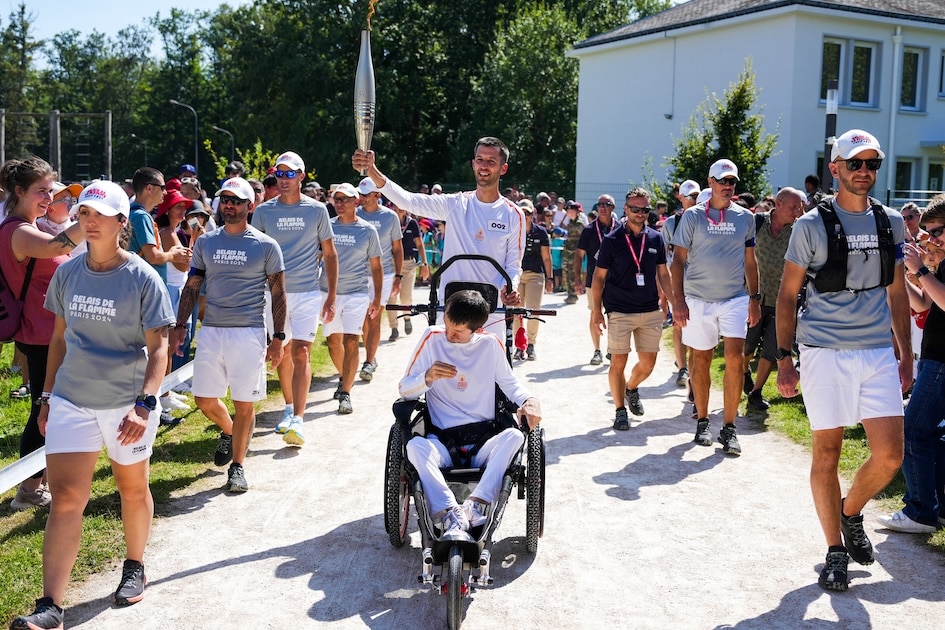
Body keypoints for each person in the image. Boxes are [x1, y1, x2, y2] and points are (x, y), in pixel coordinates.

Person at [10, 181, 173, 629]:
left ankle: (135, 566)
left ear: (123, 222)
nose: (90, 220)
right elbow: (59, 339)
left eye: (100, 214)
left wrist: (145, 404)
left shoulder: (142, 276)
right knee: (66, 497)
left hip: (126, 406)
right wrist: (46, 396)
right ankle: (50, 606)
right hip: (71, 401)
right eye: (83, 213)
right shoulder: (67, 272)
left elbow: (160, 348)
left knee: (131, 488)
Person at [776, 129, 911, 592]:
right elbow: (788, 294)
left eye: (872, 163)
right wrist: (784, 358)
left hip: (876, 351)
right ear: (835, 168)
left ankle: (850, 510)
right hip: (824, 351)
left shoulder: (891, 221)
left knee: (891, 455)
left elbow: (897, 291)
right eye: (855, 163)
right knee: (827, 452)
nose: (864, 172)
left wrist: (906, 352)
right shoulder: (811, 225)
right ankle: (834, 549)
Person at [171, 177, 286, 492]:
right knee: (205, 400)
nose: (229, 206)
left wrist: (279, 338)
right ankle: (231, 432)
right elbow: (193, 285)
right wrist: (180, 325)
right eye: (225, 200)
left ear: (250, 206)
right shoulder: (207, 242)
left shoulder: (265, 245)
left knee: (244, 402)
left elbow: (278, 294)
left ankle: (238, 466)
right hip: (211, 331)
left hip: (248, 333)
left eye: (236, 200)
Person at [400, 289, 542, 532]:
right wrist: (427, 377)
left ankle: (477, 504)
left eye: (457, 332)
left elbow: (510, 384)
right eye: (447, 326)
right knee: (414, 446)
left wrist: (529, 400)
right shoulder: (432, 338)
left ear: (476, 329)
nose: (449, 334)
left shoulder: (489, 344)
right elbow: (405, 390)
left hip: (483, 440)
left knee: (516, 436)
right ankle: (448, 510)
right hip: (442, 440)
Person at [352, 137, 523, 333]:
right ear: (473, 164)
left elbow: (513, 266)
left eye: (491, 161)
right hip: (450, 306)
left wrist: (511, 288)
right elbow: (408, 201)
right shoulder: (455, 204)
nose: (484, 166)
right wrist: (372, 170)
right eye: (479, 159)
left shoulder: (513, 214)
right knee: (444, 364)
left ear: (503, 168)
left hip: (492, 309)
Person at [0, 157, 86, 511]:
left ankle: (43, 481)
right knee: (43, 411)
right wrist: (92, 219)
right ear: (18, 192)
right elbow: (58, 248)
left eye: (51, 191)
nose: (49, 198)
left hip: (51, 332)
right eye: (41, 191)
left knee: (53, 409)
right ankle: (28, 490)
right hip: (40, 336)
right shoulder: (17, 230)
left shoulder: (29, 225)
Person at [671, 159, 761, 455]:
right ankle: (703, 420)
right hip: (697, 299)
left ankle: (730, 427)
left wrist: (755, 299)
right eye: (722, 180)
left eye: (732, 181)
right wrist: (679, 301)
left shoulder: (745, 217)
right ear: (710, 182)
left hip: (734, 298)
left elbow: (750, 261)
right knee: (702, 359)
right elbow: (678, 261)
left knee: (736, 358)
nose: (728, 185)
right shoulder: (693, 216)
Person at [251, 151, 337, 446]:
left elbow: (330, 253)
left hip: (308, 293)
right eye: (280, 174)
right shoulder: (263, 212)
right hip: (273, 294)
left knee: (301, 352)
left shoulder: (317, 210)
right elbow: (255, 253)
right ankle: (288, 408)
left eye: (290, 174)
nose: (284, 179)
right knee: (282, 351)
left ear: (302, 176)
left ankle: (298, 419)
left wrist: (332, 295)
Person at [878, 195, 945, 535]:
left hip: (941, 360)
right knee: (935, 434)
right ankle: (937, 508)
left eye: (937, 231)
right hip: (936, 357)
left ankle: (919, 511)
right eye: (929, 231)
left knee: (914, 429)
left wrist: (920, 269)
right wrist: (900, 275)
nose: (931, 238)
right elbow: (923, 305)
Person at [592, 188, 673, 429]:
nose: (640, 213)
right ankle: (619, 410)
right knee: (618, 362)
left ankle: (631, 388)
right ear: (626, 210)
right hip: (619, 310)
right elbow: (598, 278)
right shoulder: (612, 240)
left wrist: (672, 301)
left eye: (645, 209)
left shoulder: (656, 239)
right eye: (635, 209)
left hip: (649, 309)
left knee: (648, 364)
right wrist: (597, 311)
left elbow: (663, 274)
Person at [742, 187, 805, 411]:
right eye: (793, 207)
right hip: (752, 298)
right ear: (778, 204)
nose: (797, 211)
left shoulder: (799, 231)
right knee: (746, 345)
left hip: (782, 301)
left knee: (771, 348)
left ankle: (756, 392)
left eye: (800, 207)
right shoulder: (755, 223)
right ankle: (743, 370)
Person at [322, 183, 382, 414]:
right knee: (333, 341)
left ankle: (346, 392)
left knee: (350, 340)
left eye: (345, 199)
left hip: (357, 293)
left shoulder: (367, 231)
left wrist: (376, 298)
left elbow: (376, 267)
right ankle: (343, 376)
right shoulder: (326, 227)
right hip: (328, 293)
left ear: (356, 202)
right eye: (337, 199)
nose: (340, 203)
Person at [356, 177, 403, 381]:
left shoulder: (390, 217)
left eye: (366, 195)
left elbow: (397, 248)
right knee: (363, 320)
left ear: (378, 195)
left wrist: (399, 276)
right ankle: (370, 355)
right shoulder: (353, 214)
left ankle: (369, 360)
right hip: (357, 274)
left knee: (374, 318)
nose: (362, 198)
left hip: (383, 274)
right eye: (360, 194)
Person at [661, 179, 700, 388]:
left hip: (700, 283)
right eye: (691, 196)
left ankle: (694, 370)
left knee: (696, 329)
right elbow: (663, 258)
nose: (694, 200)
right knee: (678, 325)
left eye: (697, 196)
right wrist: (664, 294)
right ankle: (683, 369)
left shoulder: (705, 219)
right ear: (681, 198)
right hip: (678, 282)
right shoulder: (671, 224)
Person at [126, 167, 191, 286]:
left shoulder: (130, 212)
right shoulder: (141, 217)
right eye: (162, 188)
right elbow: (153, 257)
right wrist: (172, 255)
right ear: (149, 188)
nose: (165, 192)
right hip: (145, 288)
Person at [574, 194, 617, 365]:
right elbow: (579, 256)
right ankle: (597, 350)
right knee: (595, 313)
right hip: (594, 280)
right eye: (599, 204)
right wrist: (577, 279)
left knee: (615, 315)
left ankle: (613, 349)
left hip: (616, 280)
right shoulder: (589, 230)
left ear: (613, 207)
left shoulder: (620, 228)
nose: (602, 207)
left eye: (606, 204)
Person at [512, 199, 553, 360]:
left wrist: (550, 278)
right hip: (516, 274)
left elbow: (547, 257)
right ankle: (518, 345)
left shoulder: (540, 232)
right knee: (516, 311)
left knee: (533, 309)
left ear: (533, 214)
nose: (525, 216)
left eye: (528, 213)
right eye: (522, 212)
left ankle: (531, 344)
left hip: (535, 274)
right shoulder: (513, 230)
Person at [387, 201, 430, 339]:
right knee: (391, 298)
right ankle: (394, 328)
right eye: (397, 206)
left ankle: (406, 318)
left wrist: (425, 264)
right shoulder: (390, 221)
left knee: (406, 297)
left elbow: (419, 244)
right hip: (391, 263)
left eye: (402, 206)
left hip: (408, 263)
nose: (399, 209)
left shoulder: (412, 224)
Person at [560, 202, 585, 304]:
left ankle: (574, 295)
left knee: (573, 273)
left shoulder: (580, 224)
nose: (568, 212)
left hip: (575, 253)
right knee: (567, 272)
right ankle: (570, 293)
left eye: (570, 210)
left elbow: (582, 240)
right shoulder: (570, 222)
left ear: (576, 211)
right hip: (568, 251)